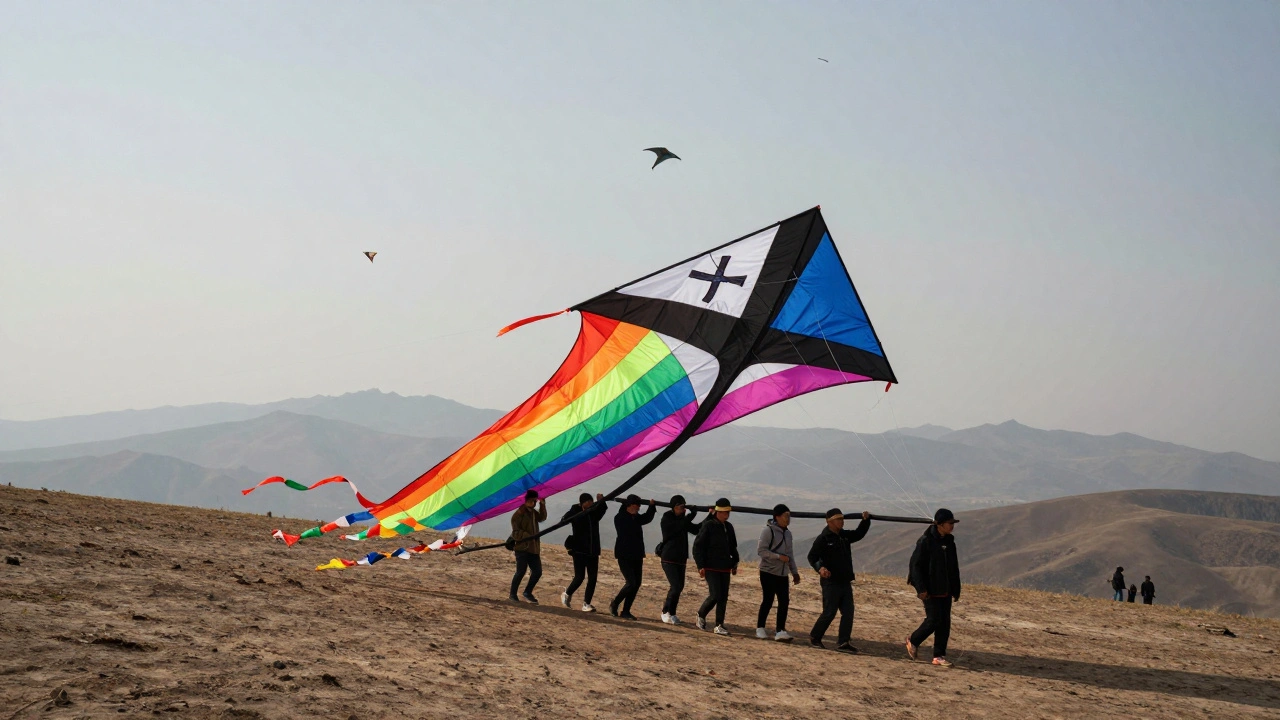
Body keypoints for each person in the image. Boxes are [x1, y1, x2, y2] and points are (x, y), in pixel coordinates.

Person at [806, 508, 871, 653]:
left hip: (844, 580)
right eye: (838, 519)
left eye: (842, 518)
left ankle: (844, 642)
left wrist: (865, 521)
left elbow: (859, 534)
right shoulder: (823, 538)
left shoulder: (843, 536)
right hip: (831, 581)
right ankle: (815, 637)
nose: (842, 521)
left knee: (848, 612)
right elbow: (812, 557)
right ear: (830, 521)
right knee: (829, 612)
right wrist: (820, 568)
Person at [905, 508, 961, 668]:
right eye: (949, 523)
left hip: (946, 589)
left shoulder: (950, 543)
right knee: (934, 620)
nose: (952, 526)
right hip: (930, 589)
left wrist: (955, 589)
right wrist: (920, 588)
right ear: (940, 524)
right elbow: (915, 566)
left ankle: (939, 655)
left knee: (944, 623)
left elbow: (953, 568)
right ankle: (913, 640)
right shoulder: (926, 541)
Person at [693, 498, 739, 636]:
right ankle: (701, 614)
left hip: (725, 567)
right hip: (710, 567)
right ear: (718, 512)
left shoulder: (729, 527)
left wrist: (734, 562)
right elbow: (698, 547)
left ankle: (719, 625)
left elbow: (733, 547)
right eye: (724, 512)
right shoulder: (708, 526)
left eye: (728, 512)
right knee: (715, 595)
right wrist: (700, 565)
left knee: (723, 597)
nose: (727, 515)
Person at [755, 503, 800, 642]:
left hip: (782, 574)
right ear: (777, 517)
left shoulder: (788, 534)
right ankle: (760, 628)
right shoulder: (768, 531)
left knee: (784, 601)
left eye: (789, 516)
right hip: (768, 572)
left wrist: (794, 572)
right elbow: (761, 551)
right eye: (786, 516)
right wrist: (778, 557)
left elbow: (790, 554)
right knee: (768, 600)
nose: (788, 519)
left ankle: (780, 630)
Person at [658, 494, 702, 625]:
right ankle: (665, 611)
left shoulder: (683, 519)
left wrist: (710, 516)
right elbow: (676, 527)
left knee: (679, 587)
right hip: (669, 558)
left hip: (681, 558)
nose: (683, 510)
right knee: (675, 586)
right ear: (674, 507)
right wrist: (690, 516)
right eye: (680, 507)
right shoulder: (667, 518)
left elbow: (695, 530)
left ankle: (672, 613)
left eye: (684, 507)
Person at [610, 494, 656, 620]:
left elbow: (647, 518)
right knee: (631, 582)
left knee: (636, 584)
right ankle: (615, 603)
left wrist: (652, 507)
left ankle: (626, 611)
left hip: (637, 554)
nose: (639, 508)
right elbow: (628, 528)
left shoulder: (636, 517)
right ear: (630, 505)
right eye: (637, 505)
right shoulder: (620, 517)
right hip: (624, 554)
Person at [561, 492, 607, 612]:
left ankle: (586, 604)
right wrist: (575, 512)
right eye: (588, 502)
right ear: (582, 503)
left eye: (591, 501)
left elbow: (602, 510)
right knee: (579, 577)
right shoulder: (575, 511)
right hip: (579, 551)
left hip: (593, 551)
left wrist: (601, 501)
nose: (590, 503)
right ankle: (567, 593)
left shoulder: (594, 512)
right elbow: (564, 519)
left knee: (592, 578)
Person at [509, 489, 548, 603]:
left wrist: (542, 504)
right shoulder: (518, 515)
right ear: (525, 501)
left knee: (537, 572)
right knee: (521, 572)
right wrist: (528, 536)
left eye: (535, 501)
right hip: (522, 548)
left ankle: (527, 592)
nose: (533, 503)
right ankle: (512, 594)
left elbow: (542, 518)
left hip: (534, 549)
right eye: (531, 501)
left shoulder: (533, 513)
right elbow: (515, 533)